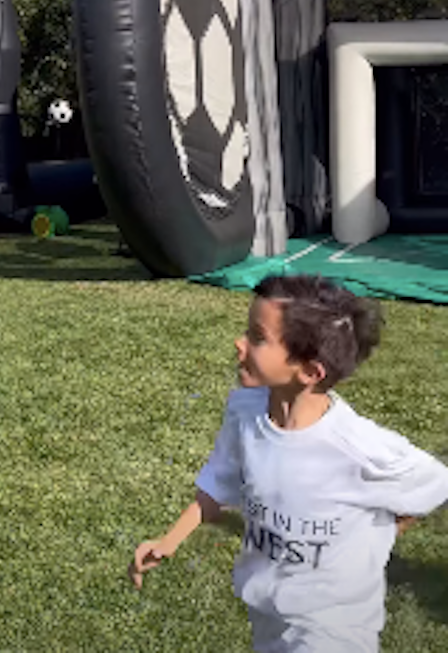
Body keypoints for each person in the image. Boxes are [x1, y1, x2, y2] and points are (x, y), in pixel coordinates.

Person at [129, 273, 448, 652]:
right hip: (268, 616)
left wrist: (375, 536)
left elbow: (435, 482)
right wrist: (169, 540)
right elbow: (217, 486)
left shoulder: (358, 446)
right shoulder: (245, 411)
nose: (239, 343)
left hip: (332, 629)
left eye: (258, 338)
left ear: (311, 372)